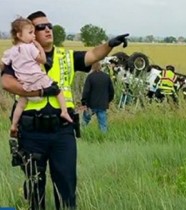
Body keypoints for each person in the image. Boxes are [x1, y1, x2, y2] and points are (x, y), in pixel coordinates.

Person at [1, 11, 129, 210]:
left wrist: (110, 44)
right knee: (34, 187)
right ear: (30, 33)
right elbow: (7, 83)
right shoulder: (20, 55)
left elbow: (93, 55)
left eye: (49, 25)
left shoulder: (66, 56)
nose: (47, 30)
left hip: (62, 132)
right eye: (40, 27)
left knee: (66, 186)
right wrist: (40, 91)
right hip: (32, 132)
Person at [1, 17, 73, 137]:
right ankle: (64, 112)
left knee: (21, 104)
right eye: (30, 33)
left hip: (25, 84)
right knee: (57, 90)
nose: (33, 36)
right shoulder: (30, 48)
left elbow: (3, 64)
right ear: (19, 35)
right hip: (38, 80)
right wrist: (39, 47)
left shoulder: (11, 51)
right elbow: (43, 60)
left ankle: (14, 125)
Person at [81, 61, 114, 132]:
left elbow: (86, 91)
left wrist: (84, 102)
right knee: (103, 124)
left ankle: (80, 135)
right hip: (102, 104)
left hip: (91, 105)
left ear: (92, 67)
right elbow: (111, 91)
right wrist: (107, 101)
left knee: (84, 121)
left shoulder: (90, 77)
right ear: (101, 67)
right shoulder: (106, 77)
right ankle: (103, 139)